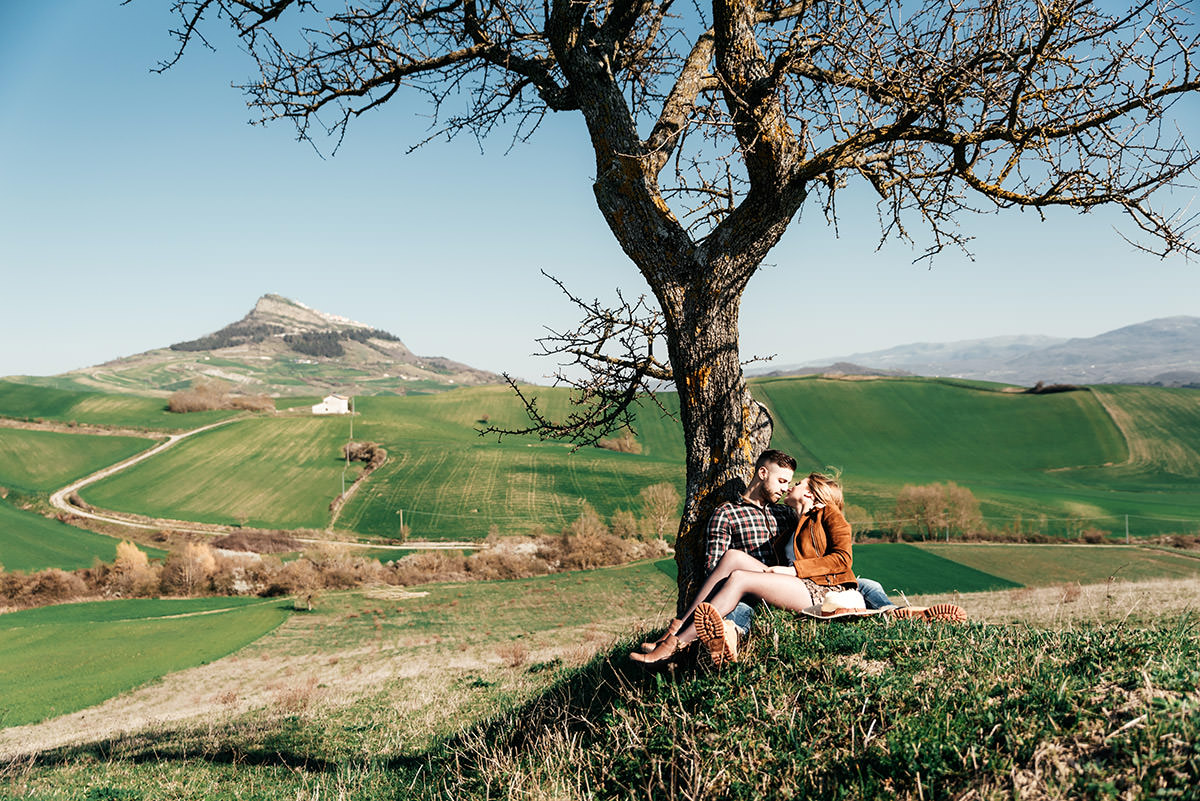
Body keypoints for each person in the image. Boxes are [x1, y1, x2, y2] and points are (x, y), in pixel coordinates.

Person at [634, 470, 859, 665]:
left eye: (798, 483)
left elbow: (842, 559)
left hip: (821, 590)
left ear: (809, 493)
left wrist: (794, 570)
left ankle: (675, 648)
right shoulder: (794, 524)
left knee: (740, 578)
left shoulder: (829, 513)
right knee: (733, 557)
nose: (791, 486)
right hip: (797, 585)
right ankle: (675, 630)